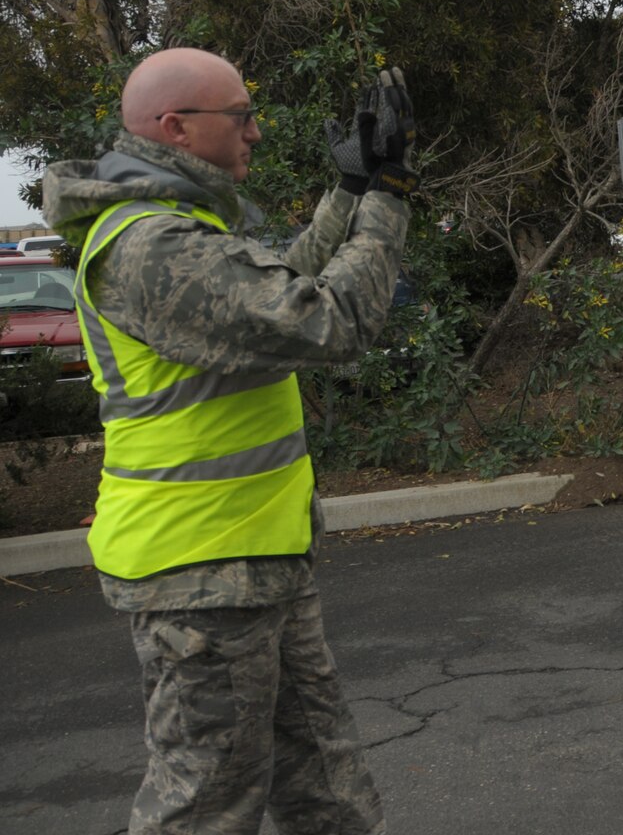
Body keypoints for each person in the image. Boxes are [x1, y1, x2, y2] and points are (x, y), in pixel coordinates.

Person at [43, 47, 418, 835]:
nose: (255, 131)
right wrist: (387, 197)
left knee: (326, 788)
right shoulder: (150, 247)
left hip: (256, 563)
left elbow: (277, 281)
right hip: (199, 578)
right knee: (207, 807)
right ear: (176, 128)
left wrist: (349, 190)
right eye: (240, 117)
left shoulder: (182, 228)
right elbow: (328, 320)